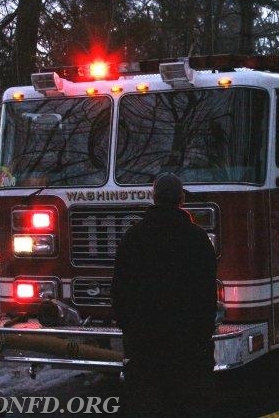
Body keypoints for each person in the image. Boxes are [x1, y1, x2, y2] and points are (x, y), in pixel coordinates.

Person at [112, 173, 217, 416]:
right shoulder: (198, 239)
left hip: (143, 343)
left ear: (154, 198)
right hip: (187, 344)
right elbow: (206, 294)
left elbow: (119, 289)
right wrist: (202, 334)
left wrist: (129, 328)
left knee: (146, 404)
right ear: (181, 199)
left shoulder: (132, 238)